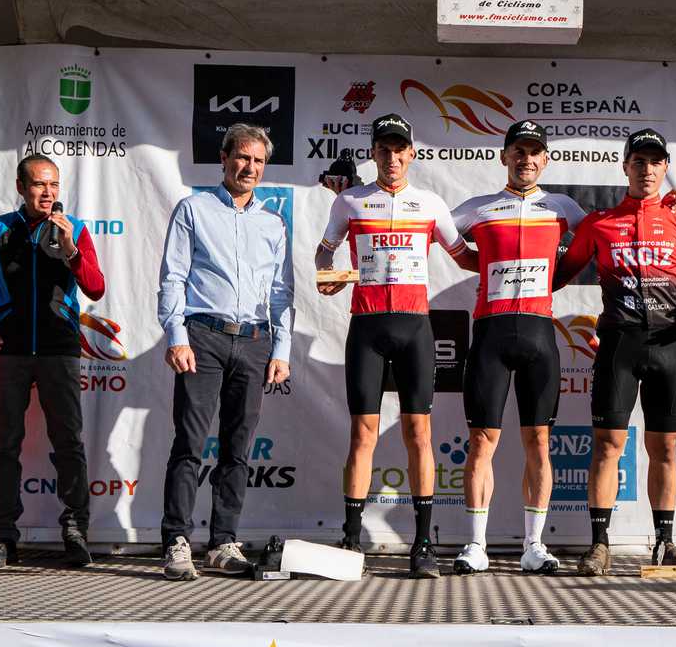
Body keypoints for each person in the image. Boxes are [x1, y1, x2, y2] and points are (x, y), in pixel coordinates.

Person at [316, 113, 472, 579]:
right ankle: (349, 537)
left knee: (419, 435)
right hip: (366, 326)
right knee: (361, 435)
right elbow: (324, 252)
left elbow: (464, 256)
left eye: (399, 149)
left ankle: (423, 543)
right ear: (374, 154)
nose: (391, 157)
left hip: (414, 329)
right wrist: (329, 271)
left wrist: (520, 258)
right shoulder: (350, 201)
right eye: (383, 149)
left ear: (412, 154)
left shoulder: (430, 203)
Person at [556, 128, 676, 575]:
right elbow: (560, 273)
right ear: (626, 167)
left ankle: (664, 543)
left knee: (665, 448)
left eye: (655, 161)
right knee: (607, 446)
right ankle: (599, 544)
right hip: (618, 346)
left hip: (667, 348)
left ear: (665, 168)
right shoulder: (599, 223)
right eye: (638, 161)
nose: (646, 169)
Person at [157, 123, 294, 581]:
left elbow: (281, 293)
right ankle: (177, 540)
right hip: (203, 337)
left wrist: (282, 348)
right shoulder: (193, 209)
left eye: (257, 161)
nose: (249, 167)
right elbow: (173, 277)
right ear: (224, 158)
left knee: (237, 448)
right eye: (242, 157)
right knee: (190, 444)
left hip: (255, 342)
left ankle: (222, 541)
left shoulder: (273, 222)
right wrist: (176, 335)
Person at [0, 154, 107, 569]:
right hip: (10, 348)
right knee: (4, 443)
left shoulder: (73, 228)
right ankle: (3, 535)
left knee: (68, 443)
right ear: (21, 187)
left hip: (60, 348)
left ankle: (75, 529)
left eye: (54, 186)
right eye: (40, 185)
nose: (48, 193)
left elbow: (95, 288)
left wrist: (73, 252)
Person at [452, 120, 587, 575]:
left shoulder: (562, 206)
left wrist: (556, 279)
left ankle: (534, 546)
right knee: (480, 442)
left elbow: (595, 243)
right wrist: (477, 262)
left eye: (535, 152)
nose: (526, 159)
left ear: (545, 159)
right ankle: (475, 546)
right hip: (490, 333)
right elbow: (431, 229)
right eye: (518, 151)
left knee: (540, 443)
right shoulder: (479, 208)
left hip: (538, 335)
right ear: (504, 156)